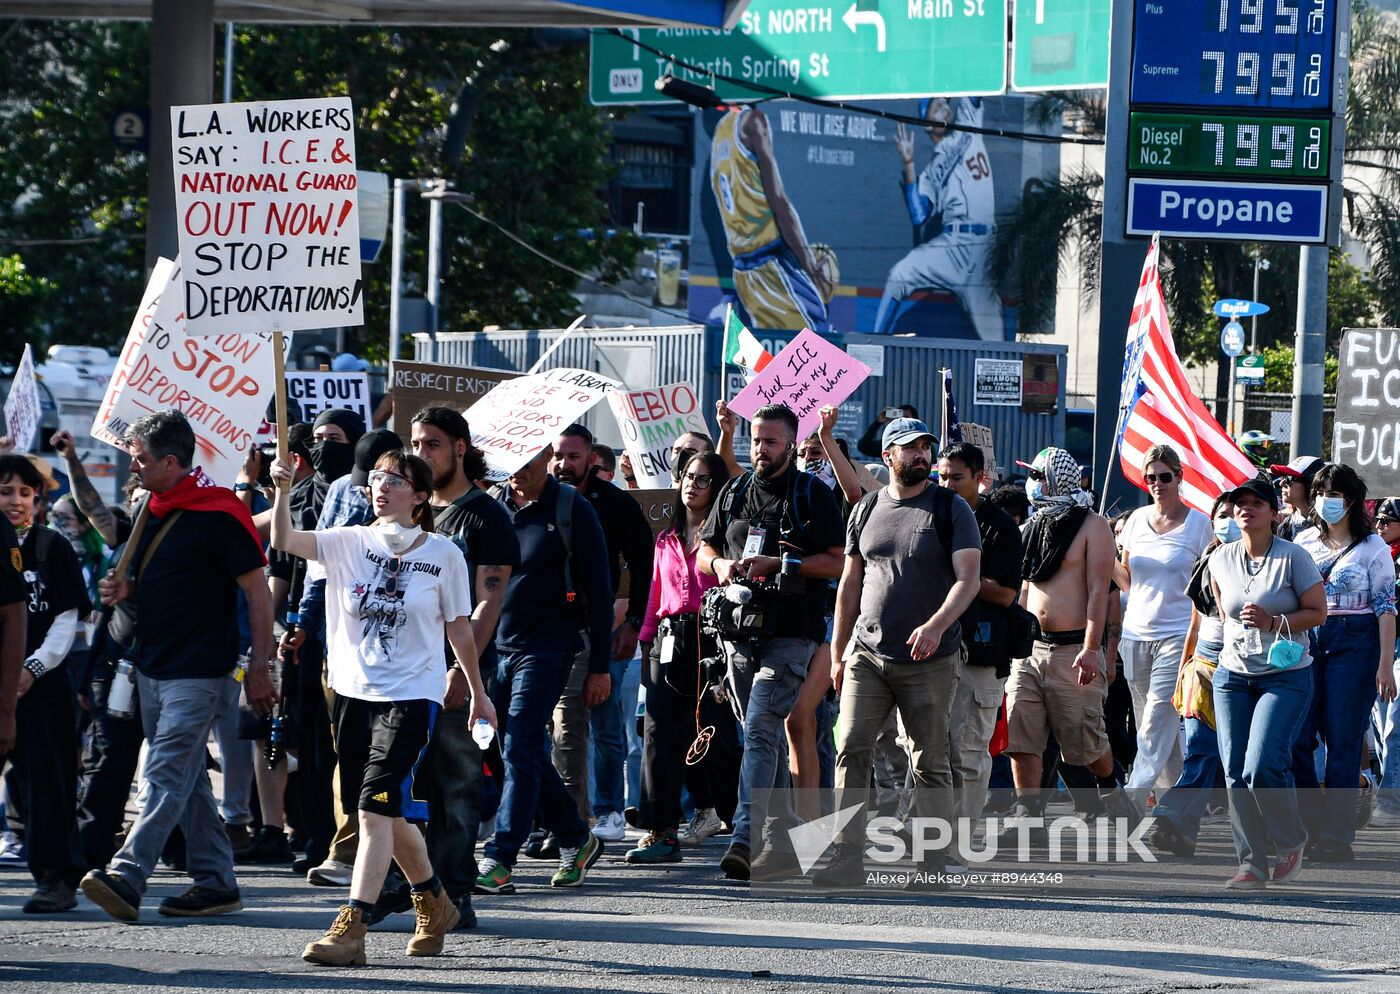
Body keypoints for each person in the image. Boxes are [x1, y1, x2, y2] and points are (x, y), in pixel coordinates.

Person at [270, 448, 494, 965]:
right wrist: (281, 491)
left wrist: (477, 692)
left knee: (374, 810)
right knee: (383, 812)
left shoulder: (444, 554)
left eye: (395, 480)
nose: (381, 486)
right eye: (377, 478)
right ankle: (434, 902)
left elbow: (458, 627)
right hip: (352, 694)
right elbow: (283, 539)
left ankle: (352, 929)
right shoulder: (348, 541)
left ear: (420, 497)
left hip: (412, 696)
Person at [81, 409, 276, 923]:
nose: (133, 467)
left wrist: (260, 667)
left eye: (140, 459)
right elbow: (156, 582)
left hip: (202, 671)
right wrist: (125, 589)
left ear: (171, 461)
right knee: (187, 778)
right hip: (151, 665)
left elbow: (258, 593)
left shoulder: (222, 513)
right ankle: (216, 883)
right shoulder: (150, 506)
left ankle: (128, 873)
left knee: (165, 769)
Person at [814, 419, 981, 887]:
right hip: (867, 654)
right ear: (888, 456)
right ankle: (847, 856)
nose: (921, 455)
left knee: (929, 760)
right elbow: (850, 585)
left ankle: (931, 861)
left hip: (931, 659)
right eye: (910, 448)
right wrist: (838, 652)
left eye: (926, 447)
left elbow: (968, 579)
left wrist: (936, 625)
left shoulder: (950, 508)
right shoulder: (866, 508)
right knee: (851, 747)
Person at [698, 403, 845, 881]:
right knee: (762, 736)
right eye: (756, 440)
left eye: (771, 441)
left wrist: (782, 565)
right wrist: (720, 565)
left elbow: (840, 561)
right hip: (738, 635)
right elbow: (705, 547)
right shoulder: (735, 490)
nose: (760, 449)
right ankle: (782, 838)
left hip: (792, 634)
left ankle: (745, 837)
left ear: (791, 444)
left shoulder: (811, 494)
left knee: (762, 727)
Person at [474, 445, 613, 894]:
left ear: (548, 455)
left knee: (521, 745)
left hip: (548, 648)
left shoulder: (573, 509)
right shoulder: (491, 506)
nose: (517, 472)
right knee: (512, 748)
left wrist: (600, 666)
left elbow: (601, 591)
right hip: (494, 648)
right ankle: (575, 836)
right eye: (510, 463)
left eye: (527, 461)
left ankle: (500, 857)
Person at [410, 406, 519, 925]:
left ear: (459, 447)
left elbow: (487, 603)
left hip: (458, 671)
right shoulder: (412, 511)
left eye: (432, 443)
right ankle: (412, 888)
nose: (421, 453)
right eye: (415, 444)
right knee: (405, 783)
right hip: (405, 671)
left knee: (456, 783)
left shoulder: (485, 516)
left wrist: (461, 670)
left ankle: (455, 893)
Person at [1002, 447, 1135, 835]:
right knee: (1021, 732)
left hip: (1074, 650)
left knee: (1084, 740)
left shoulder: (1093, 526)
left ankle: (1110, 789)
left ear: (1056, 480)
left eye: (1038, 476)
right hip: (1030, 649)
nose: (1032, 484)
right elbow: (1026, 587)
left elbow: (1098, 592)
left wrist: (1093, 650)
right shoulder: (1034, 525)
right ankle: (1028, 815)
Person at [1209, 478, 1327, 888]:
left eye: (1256, 503)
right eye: (1239, 503)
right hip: (1231, 677)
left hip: (1285, 677)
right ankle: (1251, 864)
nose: (1245, 509)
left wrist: (1274, 622)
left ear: (1274, 513)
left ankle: (1291, 838)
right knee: (1234, 772)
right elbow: (1223, 615)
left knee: (1260, 766)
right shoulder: (1219, 558)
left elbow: (1318, 612)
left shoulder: (1293, 557)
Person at [627, 450, 734, 864]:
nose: (692, 484)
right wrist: (645, 643)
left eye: (703, 479)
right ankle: (661, 829)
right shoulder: (666, 538)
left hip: (712, 638)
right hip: (667, 640)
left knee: (715, 733)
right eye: (688, 476)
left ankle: (735, 820)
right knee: (657, 732)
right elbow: (655, 596)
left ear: (717, 486)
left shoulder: (723, 539)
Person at [548, 423, 653, 843]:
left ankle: (609, 809)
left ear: (591, 459)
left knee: (606, 722)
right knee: (556, 728)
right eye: (558, 455)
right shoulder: (537, 500)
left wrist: (634, 623)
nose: (563, 463)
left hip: (602, 629)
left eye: (573, 456)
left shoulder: (614, 503)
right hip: (547, 628)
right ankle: (555, 816)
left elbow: (643, 565)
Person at [1291, 464, 1398, 861]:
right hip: (1307, 641)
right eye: (1320, 492)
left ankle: (1335, 837)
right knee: (1297, 737)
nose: (1325, 500)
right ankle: (1309, 824)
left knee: (1343, 740)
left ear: (1351, 499)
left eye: (1333, 493)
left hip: (1355, 644)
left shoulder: (1373, 548)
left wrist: (1384, 665)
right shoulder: (1302, 541)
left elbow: (1385, 608)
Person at [0, 455, 91, 912]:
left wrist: (31, 668)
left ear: (38, 500)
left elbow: (66, 619)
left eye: (24, 492)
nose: (15, 501)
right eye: (5, 491)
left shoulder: (51, 547)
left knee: (47, 787)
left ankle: (56, 879)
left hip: (43, 690)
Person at [1114, 445, 1213, 796]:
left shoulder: (1199, 525)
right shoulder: (1136, 521)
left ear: (1179, 477)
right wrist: (1102, 551)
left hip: (1177, 634)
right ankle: (1176, 807)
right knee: (1152, 726)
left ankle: (1133, 795)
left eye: (1165, 476)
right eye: (1151, 477)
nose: (1157, 484)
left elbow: (1208, 585)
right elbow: (1127, 580)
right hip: (1134, 635)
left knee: (1157, 717)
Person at [1144, 493, 1236, 857]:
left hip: (1247, 667)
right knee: (1201, 749)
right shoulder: (1207, 560)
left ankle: (1280, 831)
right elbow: (1195, 624)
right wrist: (1185, 670)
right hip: (1205, 664)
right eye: (1222, 515)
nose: (1230, 521)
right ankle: (1178, 823)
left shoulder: (1268, 560)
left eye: (1235, 513)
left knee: (1245, 760)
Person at [938, 441, 1023, 829]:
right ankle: (928, 828)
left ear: (979, 478)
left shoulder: (999, 526)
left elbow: (1006, 594)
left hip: (981, 655)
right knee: (928, 749)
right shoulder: (932, 516)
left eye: (957, 477)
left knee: (969, 751)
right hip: (934, 652)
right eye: (942, 476)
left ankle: (962, 835)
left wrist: (963, 577)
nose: (947, 484)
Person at [872, 97, 1002, 340]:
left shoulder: (967, 123)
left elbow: (974, 90)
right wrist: (908, 164)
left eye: (945, 103)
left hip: (984, 250)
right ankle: (871, 345)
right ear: (927, 124)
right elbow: (918, 216)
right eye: (937, 106)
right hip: (952, 247)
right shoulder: (931, 172)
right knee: (898, 275)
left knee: (995, 344)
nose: (945, 107)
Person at [709, 105, 831, 333]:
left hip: (743, 271)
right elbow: (779, 202)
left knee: (777, 350)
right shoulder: (753, 121)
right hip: (768, 264)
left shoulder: (720, 132)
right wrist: (811, 267)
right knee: (818, 342)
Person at [1372, 497, 1400, 827]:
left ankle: (1390, 801)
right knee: (1380, 727)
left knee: (1394, 724)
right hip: (1379, 647)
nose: (1379, 526)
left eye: (1387, 520)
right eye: (1377, 519)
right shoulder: (1377, 555)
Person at [1270, 456, 1326, 541]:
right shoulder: (1285, 528)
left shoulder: (1329, 525)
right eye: (1283, 477)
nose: (1281, 483)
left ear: (1311, 484)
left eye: (1288, 479)